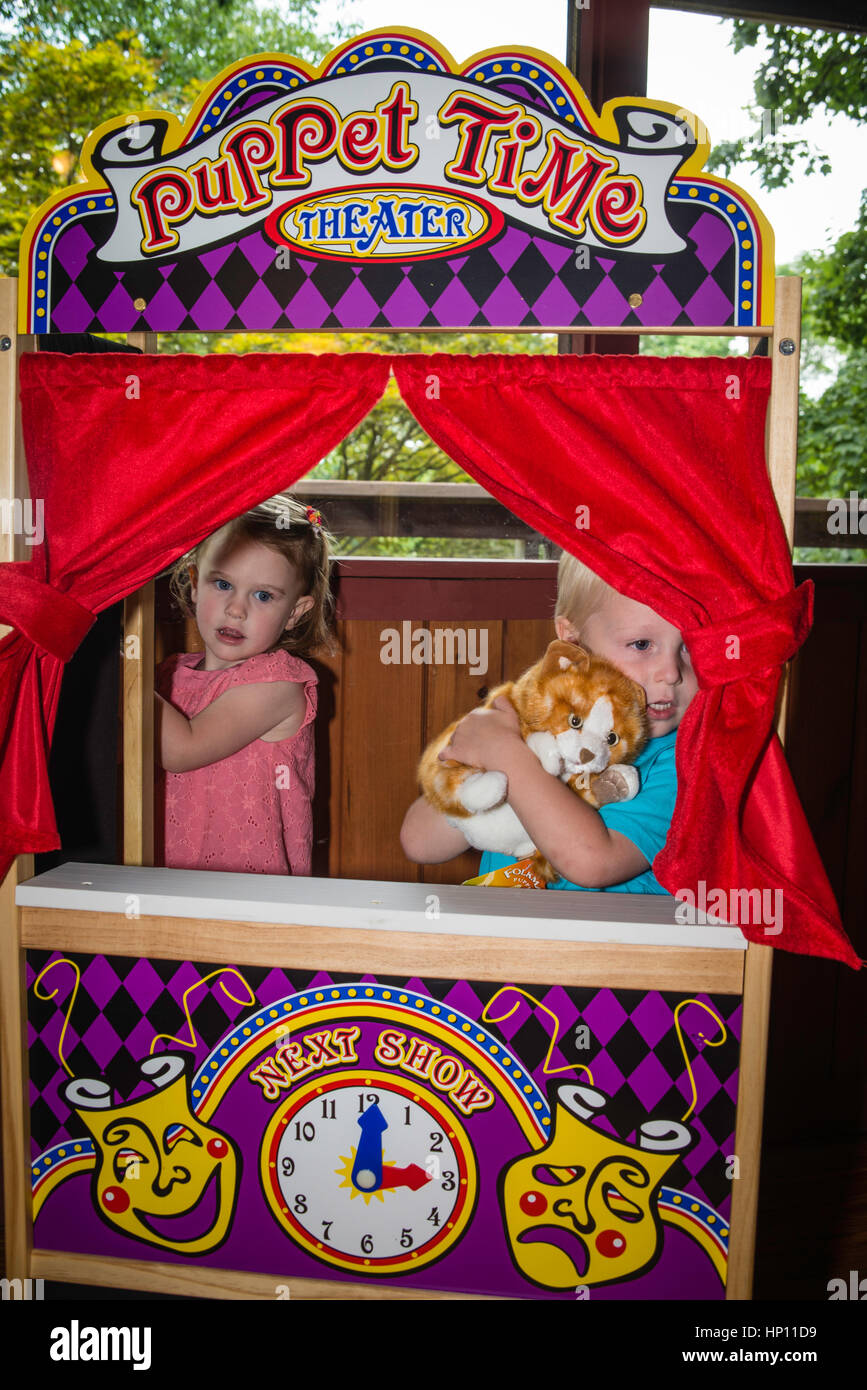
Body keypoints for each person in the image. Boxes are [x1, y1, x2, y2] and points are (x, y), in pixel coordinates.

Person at [400, 552, 698, 893]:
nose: (672, 673)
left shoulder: (686, 765)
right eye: (642, 644)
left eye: (690, 646)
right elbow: (419, 842)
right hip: (504, 938)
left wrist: (506, 757)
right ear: (571, 641)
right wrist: (486, 761)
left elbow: (592, 861)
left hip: (609, 946)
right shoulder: (528, 725)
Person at [155, 497, 333, 876]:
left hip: (248, 893)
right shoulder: (168, 675)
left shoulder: (278, 684)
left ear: (295, 613)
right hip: (166, 879)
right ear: (194, 585)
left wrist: (123, 678)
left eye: (263, 595)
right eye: (223, 584)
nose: (237, 609)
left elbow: (182, 749)